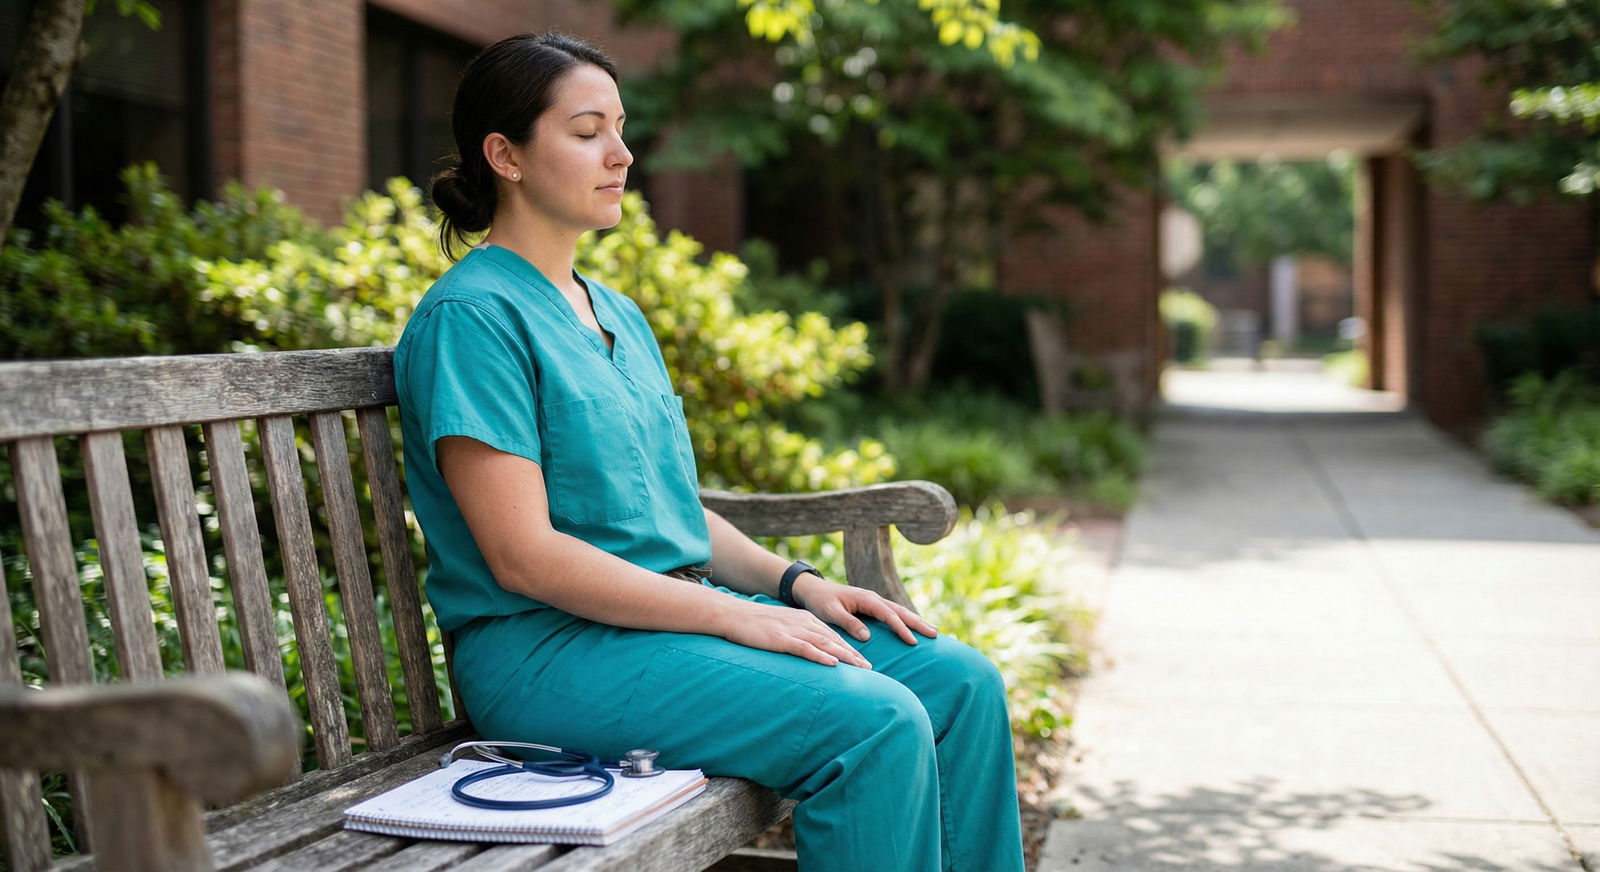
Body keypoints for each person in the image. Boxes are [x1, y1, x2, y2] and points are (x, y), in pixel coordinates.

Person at [394, 31, 1025, 872]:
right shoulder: (472, 319)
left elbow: (673, 511)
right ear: (504, 155)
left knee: (961, 685)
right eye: (586, 132)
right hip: (549, 654)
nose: (621, 154)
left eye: (621, 128)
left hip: (668, 626)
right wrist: (737, 616)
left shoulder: (615, 312)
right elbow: (525, 557)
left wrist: (796, 585)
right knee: (874, 722)